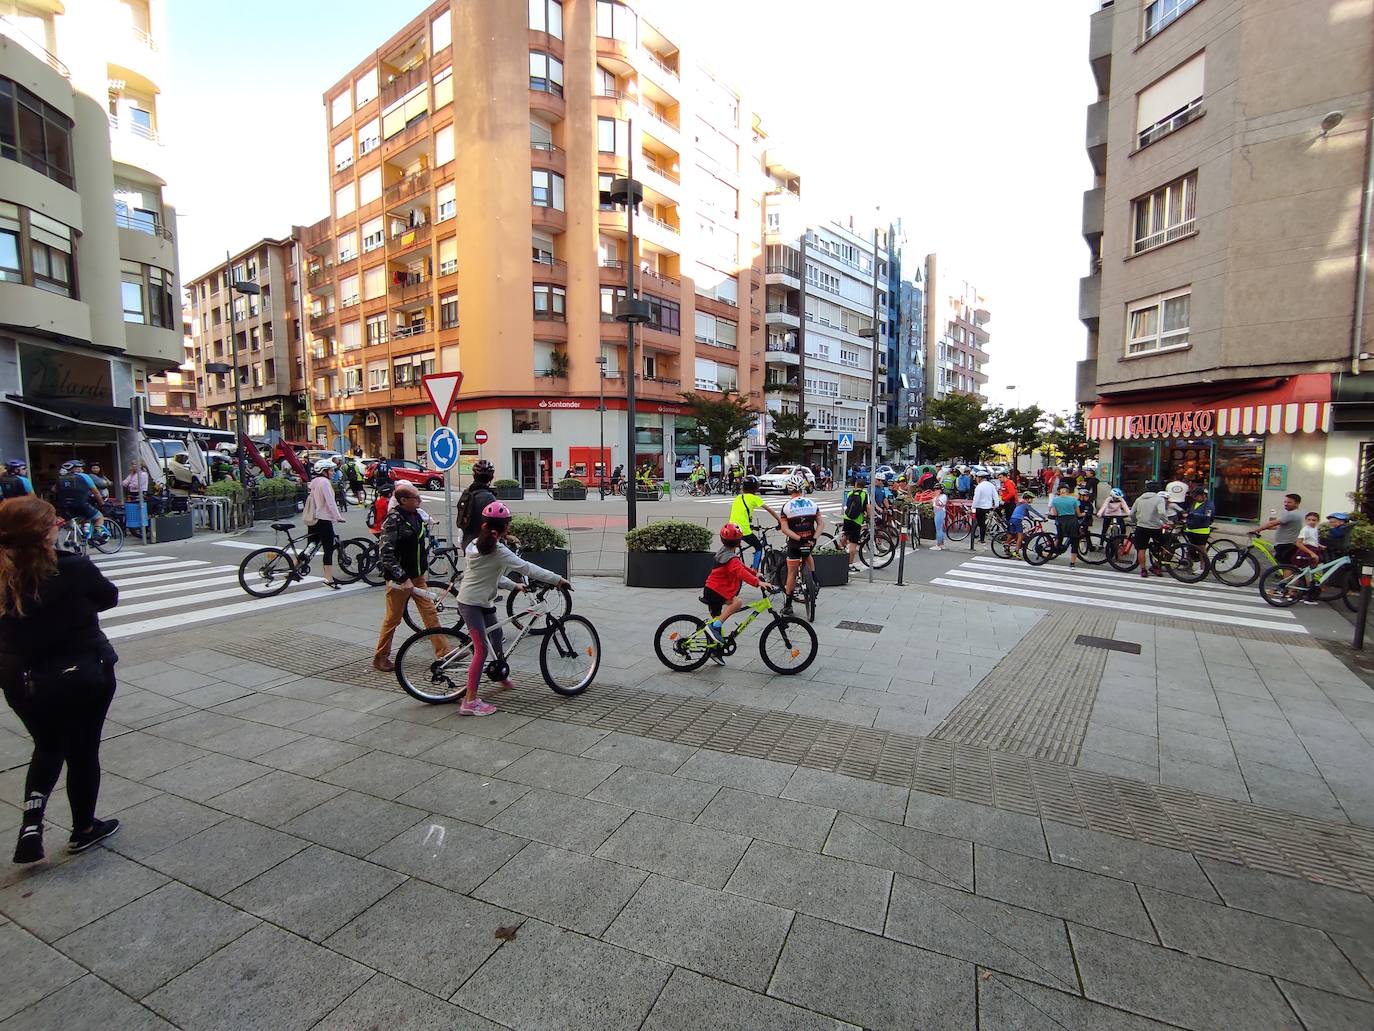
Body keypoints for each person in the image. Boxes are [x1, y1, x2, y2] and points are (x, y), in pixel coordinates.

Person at [1, 495, 121, 863]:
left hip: (22, 679)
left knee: (48, 746)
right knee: (82, 751)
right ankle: (83, 827)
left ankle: (31, 825)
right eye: (53, 522)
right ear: (43, 533)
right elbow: (108, 598)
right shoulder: (72, 568)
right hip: (80, 671)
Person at [455, 501, 570, 714]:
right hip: (471, 604)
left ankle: (500, 674)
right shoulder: (497, 549)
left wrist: (514, 585)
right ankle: (469, 702)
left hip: (480, 600)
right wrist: (558, 579)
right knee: (480, 651)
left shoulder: (475, 544)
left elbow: (487, 575)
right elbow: (527, 567)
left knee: (497, 635)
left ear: (484, 525)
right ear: (505, 528)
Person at [373, 482, 444, 672]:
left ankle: (444, 653)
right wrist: (402, 577)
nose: (420, 501)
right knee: (393, 619)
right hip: (400, 580)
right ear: (404, 500)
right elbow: (386, 554)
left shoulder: (416, 516)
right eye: (416, 498)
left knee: (430, 614)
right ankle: (381, 657)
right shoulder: (393, 520)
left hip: (417, 575)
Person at [701, 523, 774, 665]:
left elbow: (740, 566)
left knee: (718, 619)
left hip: (712, 590)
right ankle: (714, 627)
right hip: (716, 591)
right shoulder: (731, 558)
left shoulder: (725, 553)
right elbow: (739, 571)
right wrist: (758, 582)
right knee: (737, 602)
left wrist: (755, 573)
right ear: (739, 542)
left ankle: (716, 650)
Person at [779, 473, 822, 614]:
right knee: (808, 554)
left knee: (791, 573)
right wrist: (814, 538)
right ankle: (815, 578)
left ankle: (788, 605)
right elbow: (821, 524)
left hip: (795, 543)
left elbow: (784, 529)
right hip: (810, 540)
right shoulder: (813, 504)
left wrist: (798, 538)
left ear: (789, 489)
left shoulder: (786, 507)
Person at [304, 459, 344, 589]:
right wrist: (338, 517)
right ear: (324, 471)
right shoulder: (325, 483)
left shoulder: (314, 483)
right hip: (324, 519)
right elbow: (330, 502)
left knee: (311, 545)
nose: (333, 472)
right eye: (331, 470)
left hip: (314, 519)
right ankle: (328, 578)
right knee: (328, 549)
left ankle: (293, 568)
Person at [729, 475, 780, 570]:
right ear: (755, 487)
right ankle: (755, 570)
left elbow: (740, 514)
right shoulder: (754, 498)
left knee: (732, 550)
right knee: (759, 547)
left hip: (731, 528)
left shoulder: (739, 497)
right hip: (743, 530)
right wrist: (780, 521)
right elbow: (770, 510)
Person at [53, 461, 107, 542]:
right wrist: (102, 503)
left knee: (72, 522)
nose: (82, 469)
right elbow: (95, 492)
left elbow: (54, 489)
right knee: (99, 517)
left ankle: (72, 539)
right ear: (76, 469)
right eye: (80, 467)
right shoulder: (84, 476)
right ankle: (97, 535)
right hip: (81, 504)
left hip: (64, 506)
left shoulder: (61, 478)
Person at [1130, 480, 1169, 577]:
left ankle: (1143, 570)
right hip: (1155, 528)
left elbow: (1131, 513)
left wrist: (1135, 521)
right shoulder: (1159, 499)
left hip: (1141, 527)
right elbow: (1162, 513)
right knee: (1164, 547)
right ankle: (1156, 566)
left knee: (1141, 549)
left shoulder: (1139, 499)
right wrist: (1166, 521)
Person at [456, 459, 497, 550]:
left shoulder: (467, 494)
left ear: (474, 476)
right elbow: (495, 525)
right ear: (491, 477)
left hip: (467, 543)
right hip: (482, 545)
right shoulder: (489, 498)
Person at [1255, 493, 1304, 565]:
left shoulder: (1292, 514)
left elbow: (1272, 523)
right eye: (1285, 502)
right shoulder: (1292, 513)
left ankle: (1287, 576)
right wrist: (1269, 528)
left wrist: (1257, 529)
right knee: (1282, 564)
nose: (1286, 504)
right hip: (1285, 543)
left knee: (1286, 566)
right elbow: (1285, 527)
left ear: (1297, 503)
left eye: (1289, 502)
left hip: (1287, 545)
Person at [1048, 484, 1081, 568]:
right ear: (1067, 491)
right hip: (1072, 521)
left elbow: (1055, 513)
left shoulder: (1055, 500)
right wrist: (1085, 513)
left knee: (1059, 537)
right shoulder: (1073, 500)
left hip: (1061, 521)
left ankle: (1055, 550)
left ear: (1059, 492)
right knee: (1075, 541)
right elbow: (1079, 514)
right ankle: (1072, 563)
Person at [841, 475, 868, 573]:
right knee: (853, 543)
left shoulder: (850, 493)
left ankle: (839, 552)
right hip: (856, 520)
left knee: (845, 535)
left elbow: (847, 505)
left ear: (856, 485)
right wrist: (869, 516)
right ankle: (850, 564)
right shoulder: (864, 494)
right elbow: (867, 507)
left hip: (847, 518)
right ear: (863, 486)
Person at [1182, 487, 1215, 554]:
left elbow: (1207, 516)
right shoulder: (1193, 503)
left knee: (1201, 549)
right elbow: (1188, 511)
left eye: (1196, 496)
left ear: (1204, 495)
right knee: (1190, 548)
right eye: (1194, 496)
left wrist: (1192, 514)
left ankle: (1203, 564)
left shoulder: (1209, 505)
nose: (1194, 498)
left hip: (1201, 530)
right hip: (1190, 529)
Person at [972, 470, 998, 544]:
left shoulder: (979, 487)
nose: (976, 479)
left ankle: (982, 539)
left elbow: (976, 498)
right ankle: (983, 537)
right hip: (988, 507)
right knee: (984, 523)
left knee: (981, 524)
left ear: (980, 478)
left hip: (980, 508)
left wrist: (973, 507)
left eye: (976, 477)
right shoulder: (991, 485)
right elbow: (995, 496)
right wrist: (996, 505)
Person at [1007, 493, 1035, 558]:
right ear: (1027, 499)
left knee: (1012, 535)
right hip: (1017, 521)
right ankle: (1016, 552)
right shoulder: (1025, 504)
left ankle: (1007, 545)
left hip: (1012, 519)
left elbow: (1026, 514)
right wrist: (1042, 518)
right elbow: (1033, 512)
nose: (1032, 500)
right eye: (1031, 499)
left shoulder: (1021, 503)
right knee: (1021, 536)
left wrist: (1032, 518)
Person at [931, 486, 949, 551]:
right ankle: (941, 544)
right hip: (937, 512)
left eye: (937, 490)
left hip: (940, 512)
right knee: (939, 529)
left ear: (940, 490)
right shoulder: (938, 496)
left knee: (938, 529)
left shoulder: (943, 496)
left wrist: (936, 497)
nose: (935, 491)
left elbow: (939, 503)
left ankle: (938, 544)